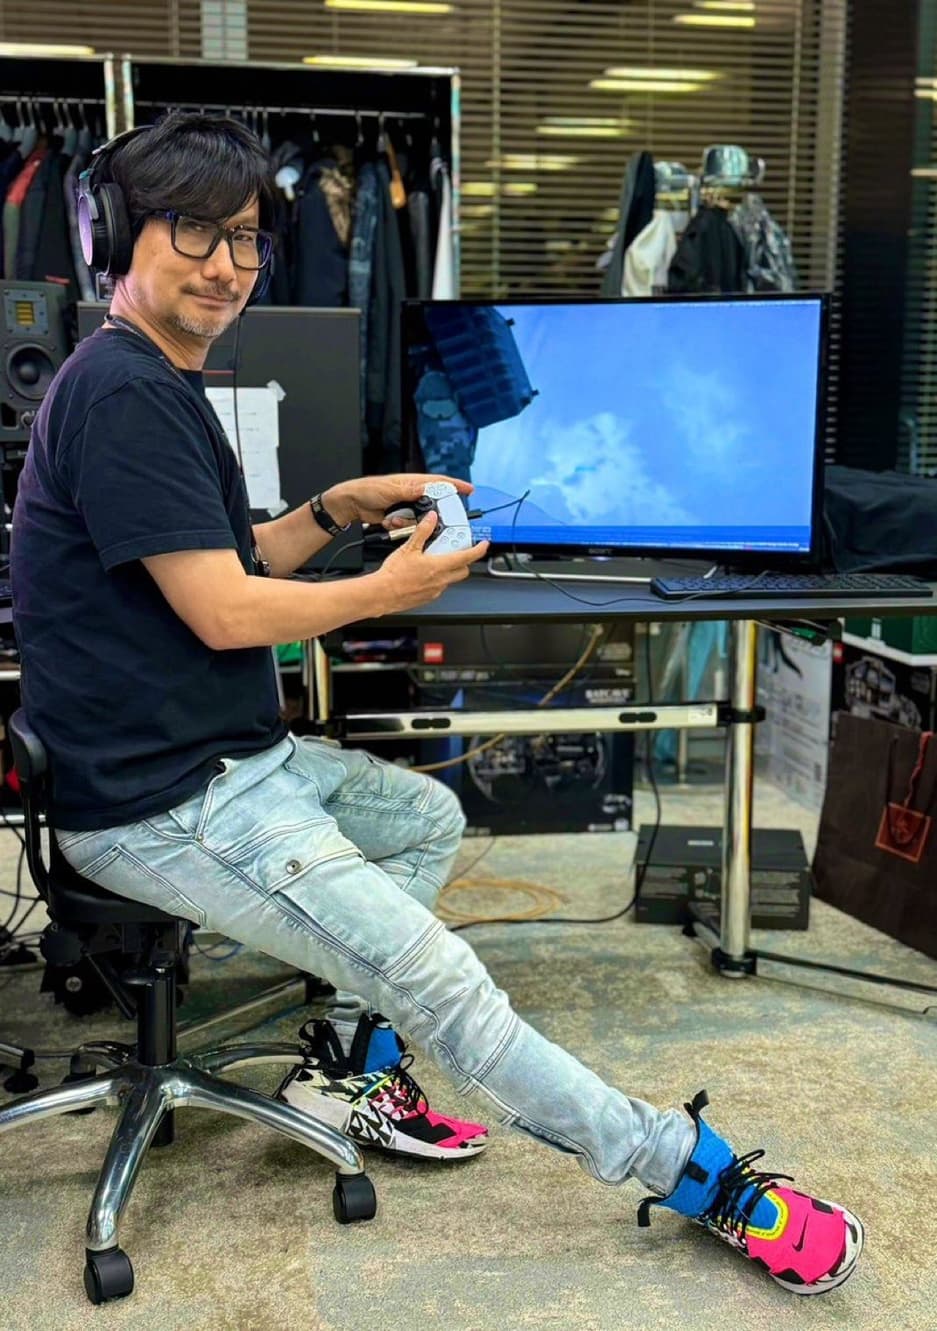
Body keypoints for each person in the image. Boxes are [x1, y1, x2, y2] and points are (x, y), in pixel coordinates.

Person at [11, 113, 863, 1295]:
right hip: (168, 800)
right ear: (118, 234)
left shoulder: (150, 378)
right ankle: (689, 1170)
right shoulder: (123, 393)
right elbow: (221, 610)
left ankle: (348, 1069)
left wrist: (338, 506)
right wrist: (386, 589)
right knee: (443, 980)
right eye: (193, 230)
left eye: (247, 237)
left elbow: (227, 555)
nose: (227, 263)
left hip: (221, 759)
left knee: (425, 816)